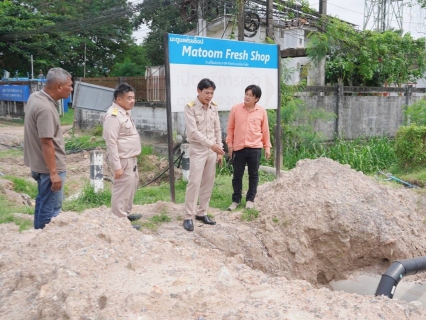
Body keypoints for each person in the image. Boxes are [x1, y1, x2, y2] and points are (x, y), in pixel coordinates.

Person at [24, 67, 73, 229]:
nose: (71, 89)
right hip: (49, 168)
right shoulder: (45, 108)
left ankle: (37, 234)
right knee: (52, 208)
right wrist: (54, 173)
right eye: (69, 85)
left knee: (42, 200)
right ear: (59, 86)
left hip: (37, 164)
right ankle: (43, 241)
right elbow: (46, 142)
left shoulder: (35, 97)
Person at [182, 78, 225, 232]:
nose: (209, 96)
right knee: (194, 182)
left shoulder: (213, 107)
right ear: (198, 91)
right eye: (207, 92)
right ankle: (188, 216)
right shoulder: (190, 108)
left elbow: (218, 129)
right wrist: (211, 145)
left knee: (208, 181)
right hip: (198, 148)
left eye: (212, 93)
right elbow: (193, 131)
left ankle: (202, 212)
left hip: (212, 150)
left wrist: (219, 148)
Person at [226, 84, 271, 210]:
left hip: (255, 147)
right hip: (239, 147)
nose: (247, 97)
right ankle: (236, 200)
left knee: (253, 174)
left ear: (256, 98)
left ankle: (250, 199)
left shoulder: (261, 111)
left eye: (250, 95)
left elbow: (265, 130)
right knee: (237, 175)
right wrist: (230, 145)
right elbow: (230, 128)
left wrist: (267, 146)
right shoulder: (235, 109)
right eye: (246, 94)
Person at [103, 83, 142, 228]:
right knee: (121, 190)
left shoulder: (124, 112)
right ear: (119, 100)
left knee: (130, 187)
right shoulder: (113, 116)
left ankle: (125, 214)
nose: (133, 101)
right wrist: (117, 166)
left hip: (131, 158)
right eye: (129, 98)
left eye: (133, 98)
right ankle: (119, 222)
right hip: (123, 160)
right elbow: (111, 142)